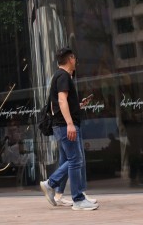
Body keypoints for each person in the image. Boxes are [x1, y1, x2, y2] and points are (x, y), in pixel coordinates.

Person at [39, 47, 97, 210]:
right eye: (75, 58)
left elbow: (61, 103)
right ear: (70, 58)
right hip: (65, 126)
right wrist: (70, 124)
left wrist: (77, 106)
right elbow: (62, 101)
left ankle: (57, 191)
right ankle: (74, 197)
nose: (76, 62)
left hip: (63, 124)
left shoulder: (59, 76)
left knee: (70, 159)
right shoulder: (63, 76)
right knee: (75, 160)